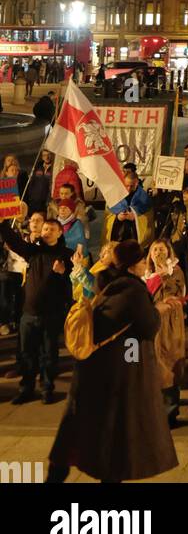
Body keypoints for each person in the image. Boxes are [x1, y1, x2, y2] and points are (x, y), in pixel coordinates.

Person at [46, 239, 178, 483]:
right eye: (140, 261)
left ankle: (56, 477)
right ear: (132, 265)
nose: (143, 265)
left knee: (75, 431)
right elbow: (147, 328)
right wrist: (157, 309)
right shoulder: (133, 290)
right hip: (116, 376)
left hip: (93, 370)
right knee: (114, 436)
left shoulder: (108, 284)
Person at [0, 207, 71, 404]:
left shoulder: (65, 255)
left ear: (59, 232)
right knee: (27, 354)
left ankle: (47, 389)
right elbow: (15, 243)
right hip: (29, 314)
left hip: (51, 314)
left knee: (49, 355)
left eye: (51, 229)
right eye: (45, 229)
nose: (46, 232)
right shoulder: (34, 251)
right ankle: (26, 388)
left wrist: (62, 272)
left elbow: (71, 281)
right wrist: (3, 224)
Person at [144, 239, 186, 426]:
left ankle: (170, 412)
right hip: (150, 324)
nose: (158, 252)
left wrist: (164, 276)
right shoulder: (145, 274)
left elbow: (176, 292)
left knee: (169, 365)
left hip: (169, 324)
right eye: (155, 249)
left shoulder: (175, 271)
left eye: (162, 249)